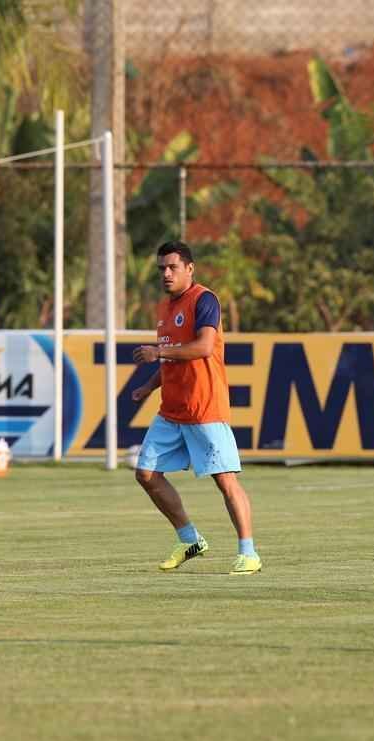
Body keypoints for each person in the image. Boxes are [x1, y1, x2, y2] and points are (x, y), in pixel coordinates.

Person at [131, 241, 260, 575]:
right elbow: (175, 353)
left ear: (190, 268)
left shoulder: (205, 300)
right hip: (171, 411)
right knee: (145, 473)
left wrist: (158, 354)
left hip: (205, 409)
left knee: (226, 481)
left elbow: (202, 347)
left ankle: (249, 552)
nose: (166, 274)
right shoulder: (163, 308)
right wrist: (149, 385)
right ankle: (189, 538)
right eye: (161, 268)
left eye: (173, 267)